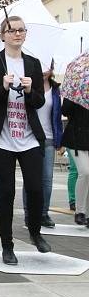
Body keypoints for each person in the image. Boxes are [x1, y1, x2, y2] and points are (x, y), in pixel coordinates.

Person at [0, 15, 51, 265]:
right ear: (2, 35)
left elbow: (39, 101)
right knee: (6, 193)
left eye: (21, 30)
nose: (17, 34)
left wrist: (30, 91)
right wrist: (3, 88)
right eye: (12, 30)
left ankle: (35, 233)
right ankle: (7, 246)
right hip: (2, 140)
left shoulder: (33, 64)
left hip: (29, 138)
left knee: (36, 188)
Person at [22, 62, 63, 228]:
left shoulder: (55, 89)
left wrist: (60, 140)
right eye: (43, 66)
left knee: (47, 179)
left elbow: (58, 116)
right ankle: (29, 213)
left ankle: (43, 213)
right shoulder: (29, 85)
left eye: (49, 66)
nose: (45, 70)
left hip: (49, 138)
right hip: (31, 137)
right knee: (31, 178)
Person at [61, 96, 89, 227]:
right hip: (76, 139)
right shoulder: (76, 89)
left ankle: (87, 213)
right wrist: (76, 97)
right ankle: (80, 211)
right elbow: (65, 110)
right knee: (85, 172)